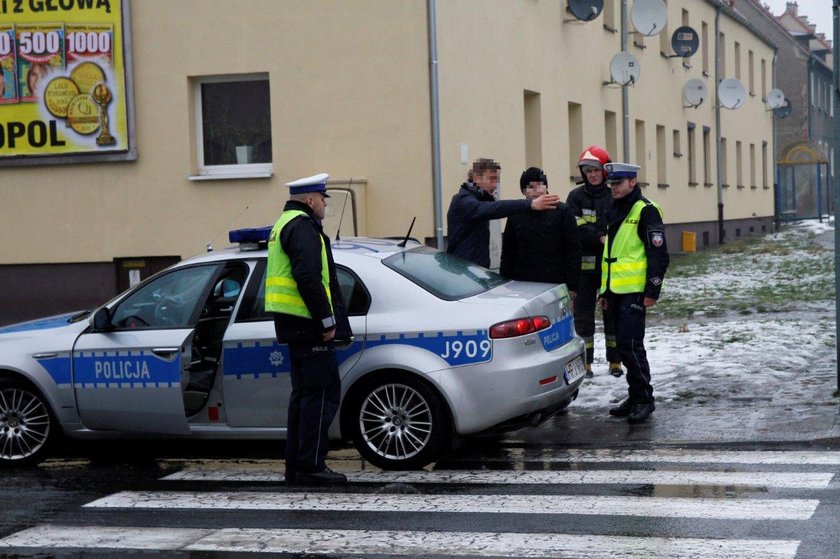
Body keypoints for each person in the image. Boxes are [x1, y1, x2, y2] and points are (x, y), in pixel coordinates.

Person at [266, 172, 351, 485]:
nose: (325, 205)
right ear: (311, 199)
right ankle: (310, 466)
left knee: (304, 395)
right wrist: (326, 319)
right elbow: (307, 277)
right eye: (323, 199)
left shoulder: (283, 224)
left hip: (294, 323)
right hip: (308, 323)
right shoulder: (302, 227)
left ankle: (297, 465)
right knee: (321, 394)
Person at [598, 162, 669, 424]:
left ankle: (644, 400)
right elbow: (610, 255)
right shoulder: (615, 210)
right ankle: (635, 394)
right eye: (611, 184)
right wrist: (605, 290)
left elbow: (658, 254)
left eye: (618, 183)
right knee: (623, 348)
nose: (613, 188)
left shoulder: (646, 211)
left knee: (631, 346)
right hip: (616, 292)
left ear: (633, 182)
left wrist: (652, 290)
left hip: (636, 292)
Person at [566, 145, 623, 379]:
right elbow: (575, 227)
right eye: (588, 170)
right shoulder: (575, 197)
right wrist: (599, 235)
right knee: (583, 315)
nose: (592, 174)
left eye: (596, 170)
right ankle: (586, 363)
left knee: (613, 313)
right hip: (585, 268)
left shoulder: (614, 195)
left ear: (605, 171)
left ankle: (615, 361)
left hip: (611, 266)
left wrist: (602, 234)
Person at [447, 158, 559, 267]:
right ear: (477, 178)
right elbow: (491, 208)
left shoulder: (476, 199)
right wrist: (530, 204)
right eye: (492, 179)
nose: (495, 185)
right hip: (463, 273)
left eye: (496, 180)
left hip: (474, 270)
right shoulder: (463, 200)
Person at [500, 167, 581, 296]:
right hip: (523, 283)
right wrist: (505, 282)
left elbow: (573, 250)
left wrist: (572, 286)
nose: (536, 191)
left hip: (554, 283)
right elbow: (508, 252)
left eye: (540, 185)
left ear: (546, 187)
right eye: (531, 187)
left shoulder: (562, 212)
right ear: (524, 191)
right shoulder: (516, 214)